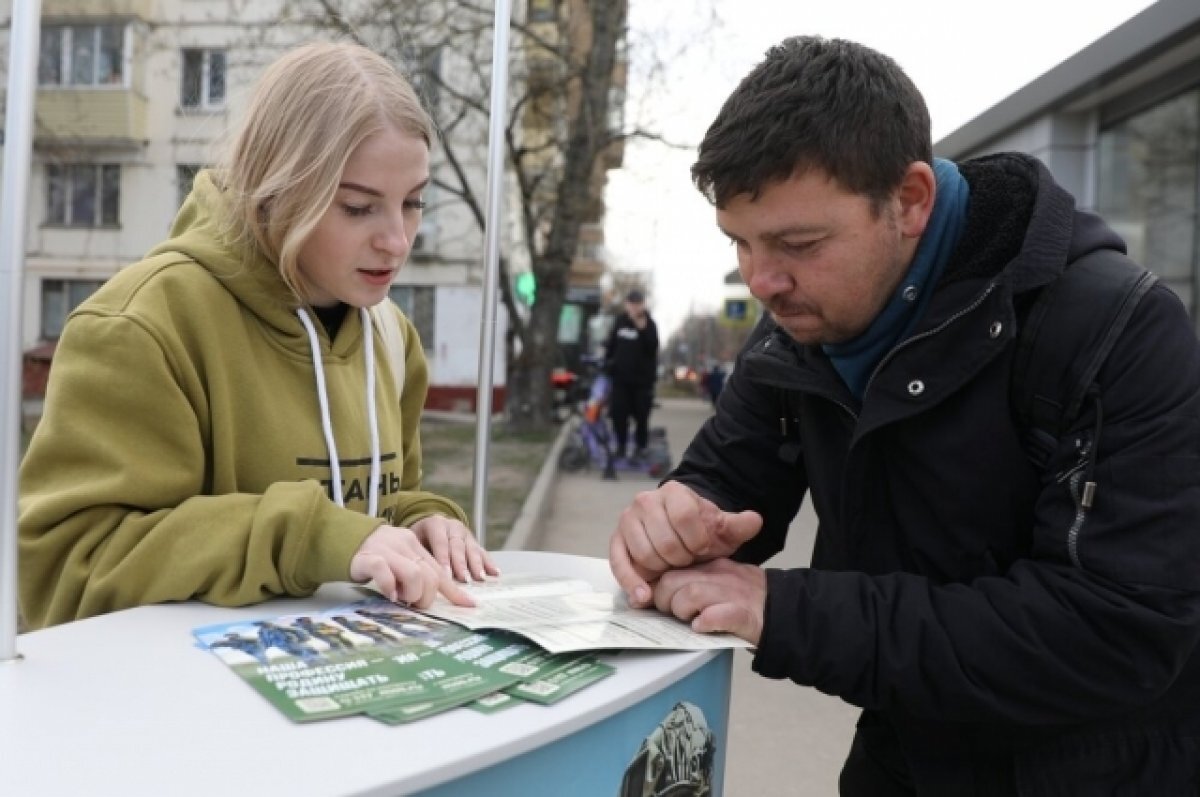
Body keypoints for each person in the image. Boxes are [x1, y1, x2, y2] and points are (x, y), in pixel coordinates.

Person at [608, 35, 1200, 795]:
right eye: (740, 244)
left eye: (798, 243)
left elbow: (1115, 631)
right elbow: (727, 476)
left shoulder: (1118, 328)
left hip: (1100, 768)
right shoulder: (801, 321)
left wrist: (787, 611)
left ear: (911, 200)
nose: (762, 280)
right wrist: (678, 515)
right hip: (905, 748)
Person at [18, 41, 498, 630]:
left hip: (344, 699)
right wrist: (309, 537)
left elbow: (381, 501)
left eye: (415, 202)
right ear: (279, 187)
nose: (397, 241)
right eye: (357, 207)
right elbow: (69, 570)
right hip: (180, 712)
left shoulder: (391, 335)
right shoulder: (141, 325)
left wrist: (426, 522)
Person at [604, 289, 660, 462]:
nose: (634, 307)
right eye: (631, 303)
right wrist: (608, 363)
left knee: (641, 416)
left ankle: (640, 447)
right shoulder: (620, 322)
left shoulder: (649, 324)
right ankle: (620, 446)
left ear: (642, 304)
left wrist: (642, 328)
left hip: (642, 382)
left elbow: (653, 347)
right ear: (627, 304)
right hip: (620, 380)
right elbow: (611, 346)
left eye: (638, 303)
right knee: (618, 414)